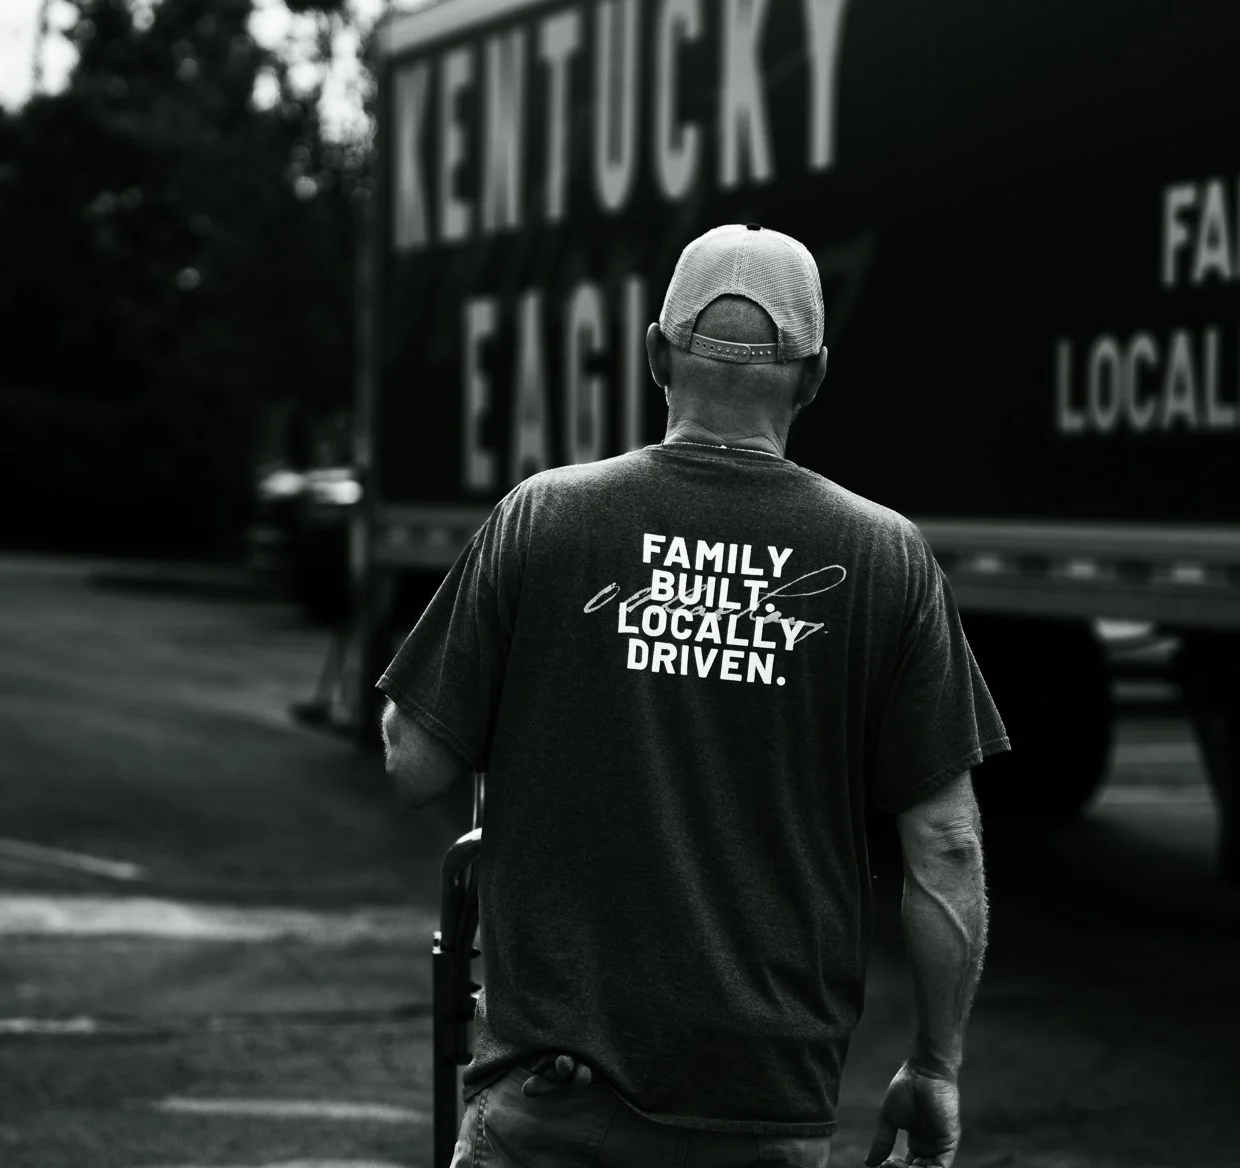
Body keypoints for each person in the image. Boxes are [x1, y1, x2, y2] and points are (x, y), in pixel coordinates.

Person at [378, 223, 1006, 1167]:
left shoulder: (544, 516)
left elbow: (414, 763)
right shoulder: (888, 558)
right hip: (765, 1111)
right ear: (815, 373)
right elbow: (947, 848)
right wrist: (935, 1064)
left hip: (553, 1100)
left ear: (656, 355)